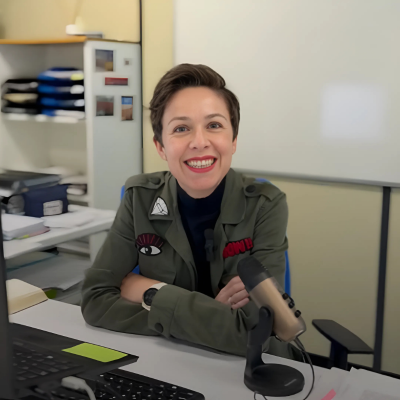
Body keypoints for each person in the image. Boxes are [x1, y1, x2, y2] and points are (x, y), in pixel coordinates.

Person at [81, 64, 300, 360]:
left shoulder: (265, 204)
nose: (199, 142)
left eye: (214, 125)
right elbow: (95, 300)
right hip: (165, 360)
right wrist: (212, 318)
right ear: (161, 146)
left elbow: (256, 330)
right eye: (181, 128)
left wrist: (151, 292)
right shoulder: (140, 198)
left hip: (247, 370)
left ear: (233, 140)